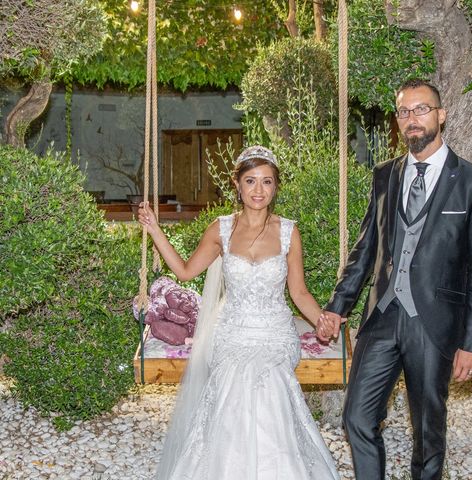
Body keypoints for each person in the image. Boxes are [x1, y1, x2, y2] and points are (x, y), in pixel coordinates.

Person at [318, 79, 472, 480]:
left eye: (421, 110)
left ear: (441, 115)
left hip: (434, 323)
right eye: (404, 112)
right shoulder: (385, 175)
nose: (412, 119)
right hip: (382, 317)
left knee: (428, 433)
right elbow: (366, 248)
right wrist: (337, 305)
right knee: (357, 417)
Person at [138, 145, 339, 480]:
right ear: (237, 184)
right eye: (250, 181)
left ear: (276, 187)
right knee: (235, 379)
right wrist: (156, 230)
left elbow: (299, 292)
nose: (258, 191)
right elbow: (186, 272)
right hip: (232, 332)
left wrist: (320, 318)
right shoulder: (222, 230)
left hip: (274, 334)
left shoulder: (289, 232)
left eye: (267, 182)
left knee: (268, 380)